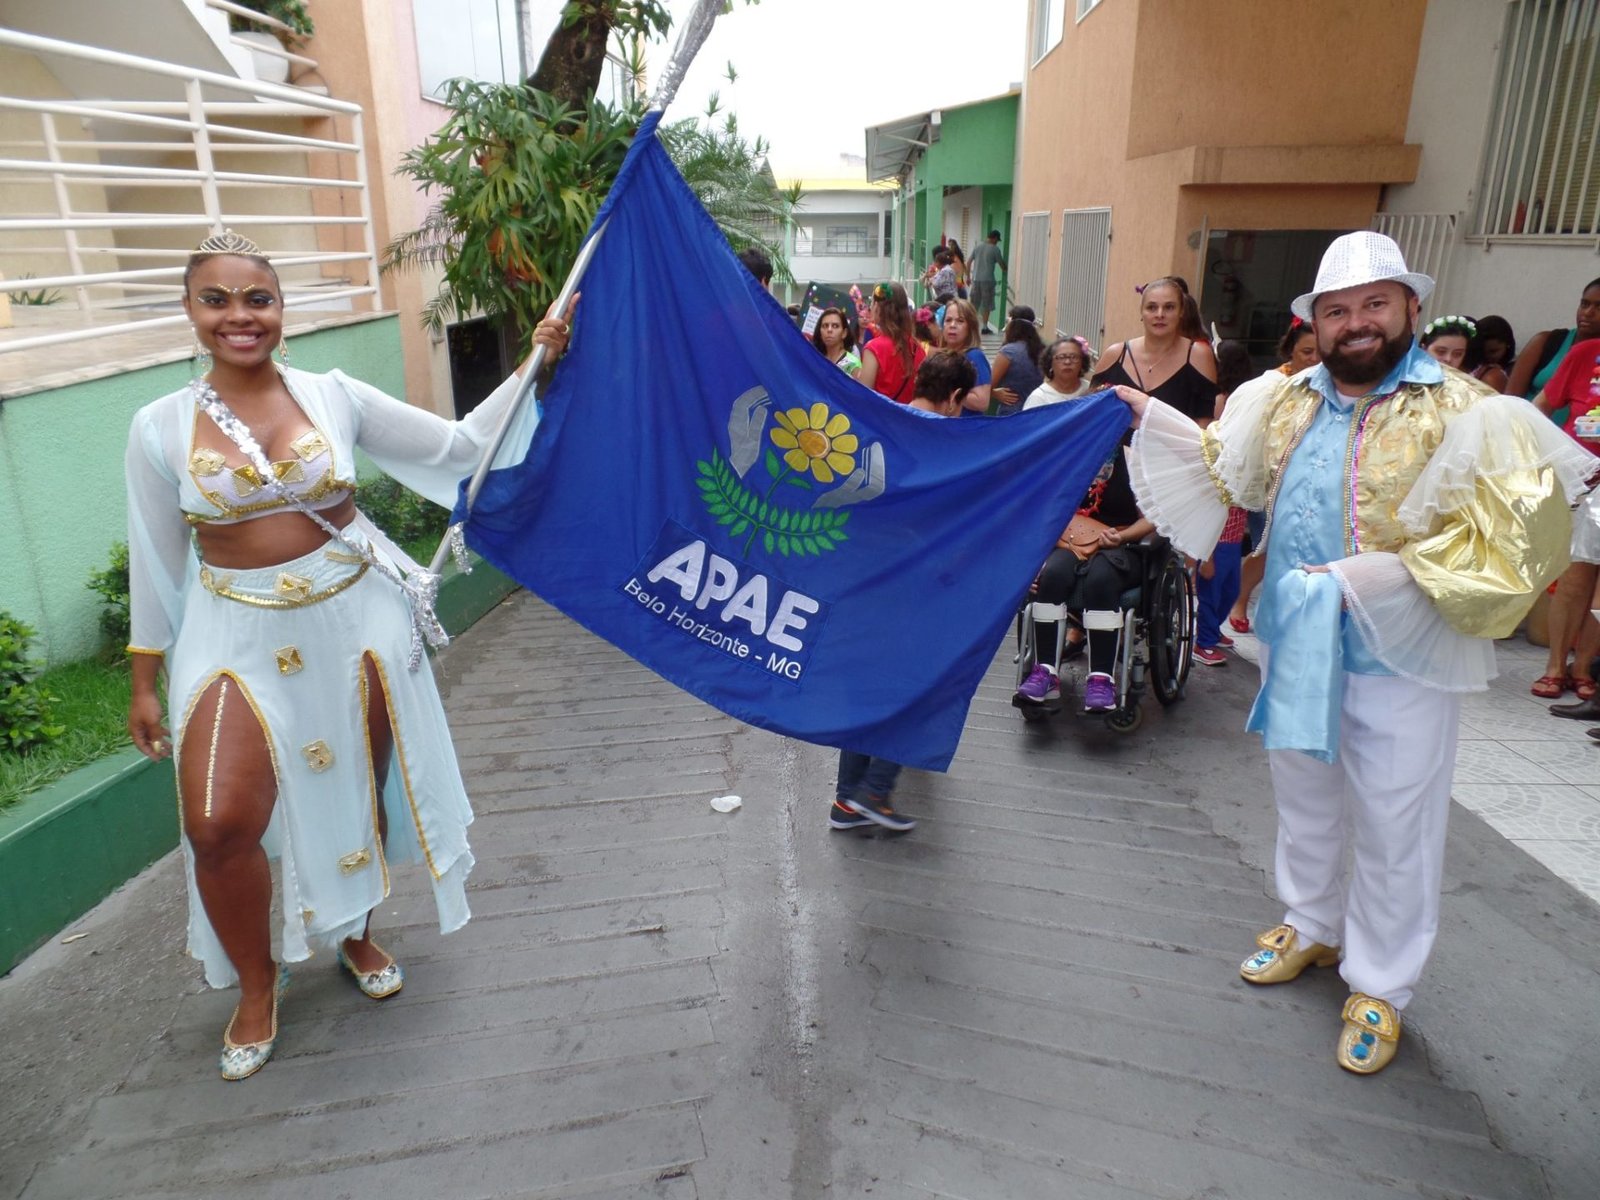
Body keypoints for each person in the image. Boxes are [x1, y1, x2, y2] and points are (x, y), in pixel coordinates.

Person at [1117, 231, 1590, 1075]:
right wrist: (1143, 412)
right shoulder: (1285, 398)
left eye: (1375, 304)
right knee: (1303, 793)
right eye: (1337, 310)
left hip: (1400, 654)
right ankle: (1312, 924)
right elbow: (1230, 475)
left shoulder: (1468, 410)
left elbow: (1512, 546)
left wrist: (1377, 579)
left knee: (1396, 822)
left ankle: (1381, 983)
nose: (1356, 324)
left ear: (1410, 307)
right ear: (1316, 322)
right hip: (1299, 640)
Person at [125, 231, 575, 1081]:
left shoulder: (332, 394)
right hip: (233, 634)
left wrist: (536, 360)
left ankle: (358, 933)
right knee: (217, 823)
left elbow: (453, 447)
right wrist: (146, 679)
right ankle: (256, 987)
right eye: (215, 300)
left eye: (256, 298)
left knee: (355, 788)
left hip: (351, 619)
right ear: (191, 313)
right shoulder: (158, 427)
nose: (238, 316)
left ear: (280, 310)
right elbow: (154, 557)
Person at [830, 351, 977, 835]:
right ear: (954, 397)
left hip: (862, 577)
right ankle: (874, 791)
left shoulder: (882, 420)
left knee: (866, 689)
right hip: (912, 585)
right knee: (920, 685)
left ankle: (848, 800)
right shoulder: (941, 441)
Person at [1014, 399, 1156, 712]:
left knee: (1101, 579)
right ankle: (1045, 671)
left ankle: (1102, 678)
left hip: (1120, 544)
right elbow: (1044, 511)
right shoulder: (1069, 460)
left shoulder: (1135, 461)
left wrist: (1121, 535)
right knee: (1052, 575)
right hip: (1069, 543)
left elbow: (1152, 517)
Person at [1228, 319, 1320, 636]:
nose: (1314, 359)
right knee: (1266, 546)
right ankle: (1239, 601)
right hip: (1268, 480)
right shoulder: (1270, 387)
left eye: (1320, 352)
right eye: (1307, 351)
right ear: (1290, 349)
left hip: (1310, 481)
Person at [1529, 336, 1600, 703]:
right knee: (1574, 578)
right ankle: (1556, 665)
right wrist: (1556, 457)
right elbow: (1539, 407)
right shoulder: (1585, 354)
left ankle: (1584, 667)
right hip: (1582, 480)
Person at [1192, 341, 1256, 666]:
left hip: (1234, 512)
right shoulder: (1222, 400)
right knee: (1212, 584)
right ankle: (1202, 640)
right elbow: (1213, 449)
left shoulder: (1234, 398)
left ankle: (1213, 631)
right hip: (1219, 511)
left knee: (1230, 586)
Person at [1092, 276, 1219, 424]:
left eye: (1169, 307)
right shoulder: (1115, 355)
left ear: (1181, 311)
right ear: (1141, 312)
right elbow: (1091, 412)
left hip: (1174, 447)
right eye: (1152, 307)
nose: (1160, 315)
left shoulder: (1198, 355)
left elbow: (1203, 423)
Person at [1504, 277, 1600, 400]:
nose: (1587, 312)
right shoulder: (1546, 342)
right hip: (1527, 418)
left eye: (1599, 307)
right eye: (1584, 304)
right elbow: (1509, 400)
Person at [857, 281, 926, 403]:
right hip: (909, 419)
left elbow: (863, 397)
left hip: (880, 419)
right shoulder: (918, 348)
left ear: (878, 307)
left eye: (872, 302)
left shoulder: (874, 348)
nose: (871, 307)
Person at [939, 298, 993, 414]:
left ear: (970, 327)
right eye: (948, 320)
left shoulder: (974, 357)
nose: (952, 325)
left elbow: (982, 402)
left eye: (960, 321)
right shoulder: (942, 357)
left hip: (967, 428)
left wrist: (945, 388)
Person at [990, 306, 1047, 411]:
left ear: (1012, 325)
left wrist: (994, 393)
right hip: (1037, 410)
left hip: (1011, 413)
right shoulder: (1043, 350)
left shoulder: (1008, 352)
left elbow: (987, 385)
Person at [1023, 336, 1095, 409]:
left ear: (1082, 362)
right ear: (1050, 362)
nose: (1067, 362)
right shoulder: (1039, 398)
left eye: (1074, 357)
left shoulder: (1092, 391)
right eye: (1061, 357)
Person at [969, 230, 1007, 333]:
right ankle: (985, 327)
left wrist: (968, 277)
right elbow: (1001, 264)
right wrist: (1005, 268)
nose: (997, 242)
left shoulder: (977, 247)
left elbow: (968, 262)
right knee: (987, 304)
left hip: (976, 280)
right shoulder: (995, 249)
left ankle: (970, 326)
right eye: (997, 240)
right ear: (994, 238)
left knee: (974, 304)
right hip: (988, 280)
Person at [811, 307, 861, 377]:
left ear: (844, 333)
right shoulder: (816, 360)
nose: (829, 330)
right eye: (825, 326)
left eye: (835, 326)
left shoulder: (853, 364)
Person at [1469, 313, 1513, 392]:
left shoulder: (1514, 370)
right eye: (1482, 351)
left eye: (1493, 351)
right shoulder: (1474, 368)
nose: (1487, 356)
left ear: (1508, 344)